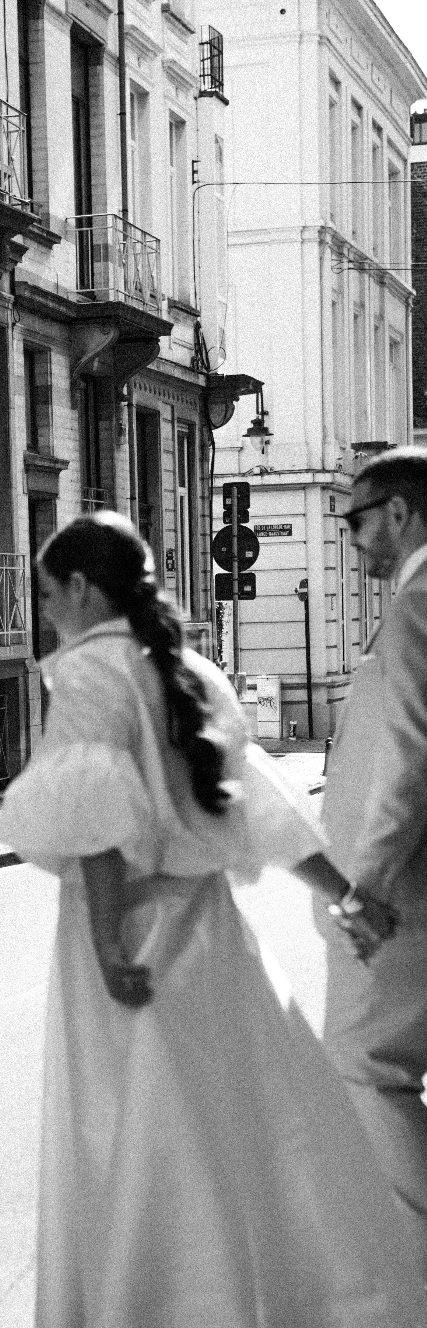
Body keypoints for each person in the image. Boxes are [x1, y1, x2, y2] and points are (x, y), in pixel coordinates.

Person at [0, 513, 427, 1328]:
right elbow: (258, 802)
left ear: (84, 593)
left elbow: (97, 816)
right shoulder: (188, 670)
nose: (46, 611)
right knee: (252, 1131)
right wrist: (345, 893)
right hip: (211, 931)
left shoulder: (91, 671)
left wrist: (103, 937)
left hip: (132, 930)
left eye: (50, 593)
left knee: (130, 1134)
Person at [322, 446, 427, 1268]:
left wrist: (370, 886)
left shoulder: (418, 606)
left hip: (406, 900)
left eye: (355, 519)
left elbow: (411, 756)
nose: (350, 536)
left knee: (367, 1066)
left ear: (397, 515)